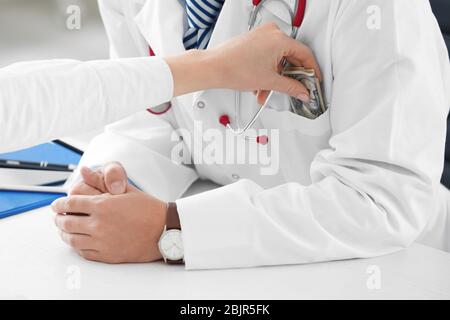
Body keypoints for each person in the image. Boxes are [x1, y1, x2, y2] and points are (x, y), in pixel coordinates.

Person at [3, 0, 450, 269]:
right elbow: (154, 115)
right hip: (227, 270)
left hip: (389, 266)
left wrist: (173, 229)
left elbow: (383, 199)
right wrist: (116, 178)